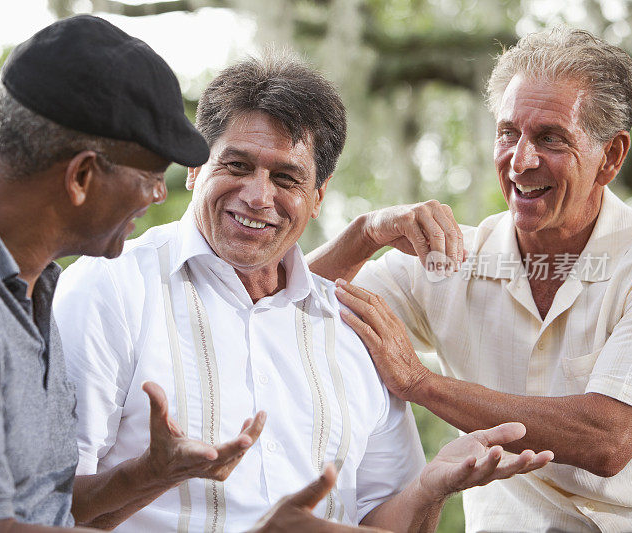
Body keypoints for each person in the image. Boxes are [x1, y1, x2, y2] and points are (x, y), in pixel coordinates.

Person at [0, 14, 327, 533]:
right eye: (149, 176)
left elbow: (39, 509)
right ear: (81, 176)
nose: (159, 195)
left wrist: (150, 475)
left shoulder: (22, 282)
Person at [53, 53, 552, 533]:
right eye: (237, 166)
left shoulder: (352, 327)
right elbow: (41, 507)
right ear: (194, 168)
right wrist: (147, 476)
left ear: (317, 197)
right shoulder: (109, 288)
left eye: (286, 177)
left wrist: (430, 489)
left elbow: (382, 521)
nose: (258, 195)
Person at [308, 27, 632, 532]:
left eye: (551, 138)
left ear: (613, 157)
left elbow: (609, 439)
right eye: (509, 133)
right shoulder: (450, 259)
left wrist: (420, 383)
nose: (522, 160)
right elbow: (286, 303)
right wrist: (364, 233)